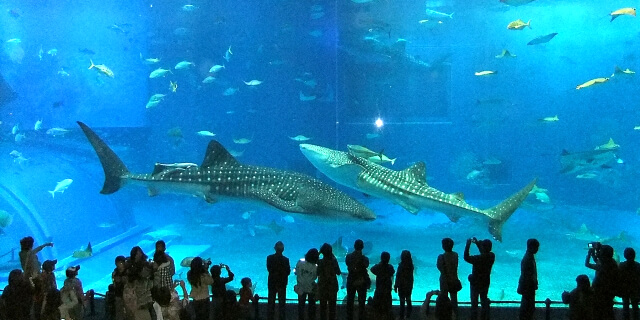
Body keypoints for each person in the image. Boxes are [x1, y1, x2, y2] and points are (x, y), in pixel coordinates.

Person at [464, 237, 495, 320]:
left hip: (475, 283)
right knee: (484, 300)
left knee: (474, 304)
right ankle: (484, 317)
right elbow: (484, 252)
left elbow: (466, 257)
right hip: (485, 282)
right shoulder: (491, 256)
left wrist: (468, 245)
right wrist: (478, 243)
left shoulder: (477, 258)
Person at [585, 243, 618, 320]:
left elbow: (587, 264)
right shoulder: (612, 262)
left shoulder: (603, 266)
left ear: (603, 254)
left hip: (599, 293)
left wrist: (589, 253)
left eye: (600, 251)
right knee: (608, 312)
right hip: (609, 293)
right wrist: (594, 254)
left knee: (598, 313)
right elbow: (598, 261)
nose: (599, 252)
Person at [345, 239, 370, 320]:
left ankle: (349, 318)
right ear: (362, 247)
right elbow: (366, 266)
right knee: (362, 302)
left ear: (354, 246)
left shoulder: (348, 257)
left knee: (350, 301)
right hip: (362, 280)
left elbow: (348, 264)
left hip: (351, 280)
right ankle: (361, 318)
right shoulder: (365, 259)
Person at [267, 241, 290, 320]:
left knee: (271, 303)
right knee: (282, 303)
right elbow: (288, 272)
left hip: (272, 282)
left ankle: (270, 317)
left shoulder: (269, 258)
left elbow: (269, 269)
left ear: (274, 248)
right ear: (283, 249)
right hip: (282, 283)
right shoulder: (286, 260)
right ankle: (282, 317)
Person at [437, 238, 460, 318]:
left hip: (444, 281)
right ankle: (455, 316)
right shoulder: (456, 255)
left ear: (443, 246)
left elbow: (439, 268)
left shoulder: (441, 257)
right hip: (454, 279)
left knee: (444, 300)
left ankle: (445, 316)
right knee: (454, 300)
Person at [317, 243, 341, 320]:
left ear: (322, 252)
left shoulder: (320, 262)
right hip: (332, 287)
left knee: (323, 308)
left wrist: (319, 253)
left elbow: (317, 273)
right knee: (332, 308)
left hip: (323, 287)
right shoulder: (334, 261)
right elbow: (338, 272)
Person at [517, 238, 539, 320]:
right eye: (536, 247)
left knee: (527, 308)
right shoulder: (528, 259)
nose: (537, 250)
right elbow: (527, 276)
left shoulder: (529, 257)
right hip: (528, 288)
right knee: (527, 309)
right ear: (531, 247)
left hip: (528, 288)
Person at [295, 248, 319, 320]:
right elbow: (315, 277)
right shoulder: (316, 266)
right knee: (311, 307)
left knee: (301, 306)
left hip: (300, 288)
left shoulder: (300, 262)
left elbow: (297, 273)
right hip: (311, 288)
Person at [371, 251, 395, 320]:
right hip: (387, 290)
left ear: (381, 258)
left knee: (377, 307)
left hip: (379, 289)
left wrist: (380, 263)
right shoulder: (390, 267)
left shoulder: (378, 267)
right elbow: (393, 272)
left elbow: (372, 269)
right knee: (387, 307)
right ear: (389, 259)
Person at [619, 247, 640, 320]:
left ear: (624, 255)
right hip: (635, 290)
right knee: (635, 307)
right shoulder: (638, 266)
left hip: (625, 290)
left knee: (625, 307)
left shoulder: (621, 265)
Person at [395, 250, 414, 320]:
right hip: (408, 286)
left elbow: (398, 276)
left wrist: (396, 285)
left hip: (402, 286)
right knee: (409, 300)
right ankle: (409, 316)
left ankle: (401, 316)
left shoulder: (401, 266)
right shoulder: (411, 266)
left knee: (402, 302)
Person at [112, 255, 127, 320]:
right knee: (119, 312)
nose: (119, 265)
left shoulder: (127, 272)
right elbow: (114, 284)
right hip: (118, 295)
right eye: (118, 263)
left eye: (121, 263)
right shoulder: (115, 273)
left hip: (127, 295)